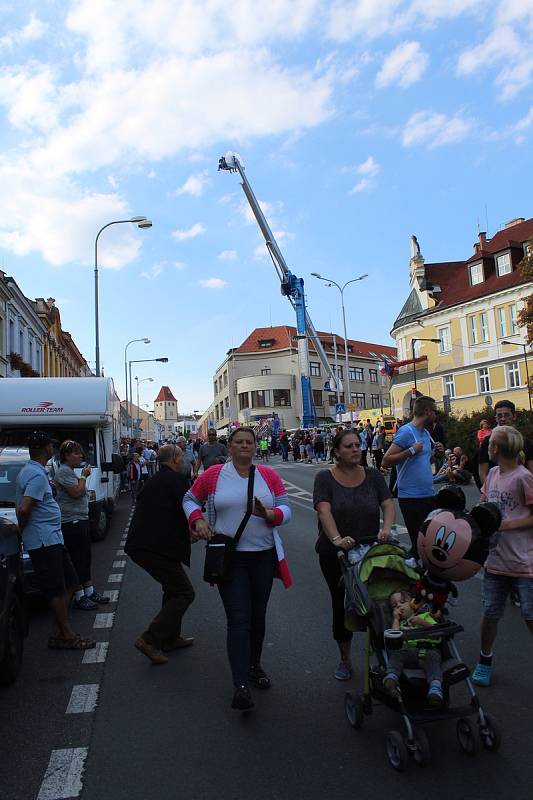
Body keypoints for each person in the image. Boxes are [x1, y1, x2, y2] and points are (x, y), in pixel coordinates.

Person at [183, 427, 292, 711]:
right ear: (228, 447)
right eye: (239, 442)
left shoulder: (268, 475)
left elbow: (286, 508)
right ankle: (240, 683)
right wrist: (197, 520)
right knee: (238, 618)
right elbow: (189, 498)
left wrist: (270, 514)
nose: (245, 446)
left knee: (258, 617)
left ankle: (254, 665)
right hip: (230, 559)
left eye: (249, 442)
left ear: (256, 447)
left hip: (263, 557)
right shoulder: (214, 474)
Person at [313, 429, 395, 681]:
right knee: (343, 603)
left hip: (369, 550)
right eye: (348, 446)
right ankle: (345, 659)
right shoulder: (324, 478)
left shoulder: (372, 476)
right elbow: (324, 511)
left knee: (378, 603)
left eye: (358, 445)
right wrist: (337, 539)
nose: (355, 449)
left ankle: (379, 655)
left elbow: (388, 504)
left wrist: (386, 529)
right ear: (336, 451)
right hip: (336, 553)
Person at [15, 432, 95, 651]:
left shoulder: (38, 471)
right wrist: (22, 530)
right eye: (51, 445)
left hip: (53, 536)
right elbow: (24, 508)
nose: (53, 448)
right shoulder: (36, 474)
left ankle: (58, 631)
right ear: (45, 449)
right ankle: (65, 635)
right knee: (55, 588)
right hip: (43, 539)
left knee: (70, 582)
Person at [472, 426, 533, 687]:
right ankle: (485, 659)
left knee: (530, 616)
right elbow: (485, 505)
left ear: (496, 448)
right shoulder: (493, 475)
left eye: (490, 443)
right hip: (495, 561)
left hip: (522, 562)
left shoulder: (523, 477)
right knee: (490, 613)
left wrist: (506, 524)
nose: (487, 447)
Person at [125, 444, 195, 665]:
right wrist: (197, 526)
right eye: (182, 457)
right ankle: (149, 639)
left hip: (152, 545)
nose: (184, 461)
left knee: (172, 589)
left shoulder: (158, 479)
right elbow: (188, 508)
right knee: (184, 593)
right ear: (174, 458)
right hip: (153, 547)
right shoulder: (175, 480)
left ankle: (170, 638)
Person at [382, 396, 443, 564]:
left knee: (428, 541)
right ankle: (406, 572)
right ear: (427, 412)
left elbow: (423, 462)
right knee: (419, 543)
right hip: (411, 497)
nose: (436, 415)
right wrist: (410, 450)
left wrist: (435, 453)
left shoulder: (426, 434)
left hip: (428, 494)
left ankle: (418, 576)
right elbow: (386, 460)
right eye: (435, 411)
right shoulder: (406, 432)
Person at [55, 440, 110, 610]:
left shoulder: (69, 471)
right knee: (77, 559)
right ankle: (79, 596)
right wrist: (84, 477)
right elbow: (76, 492)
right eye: (76, 453)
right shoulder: (64, 472)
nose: (80, 456)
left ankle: (89, 590)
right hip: (71, 521)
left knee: (85, 557)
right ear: (66, 455)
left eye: (80, 452)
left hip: (80, 519)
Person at [384, 590, 443, 706]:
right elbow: (393, 637)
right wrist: (396, 619)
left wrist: (422, 622)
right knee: (397, 654)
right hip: (408, 654)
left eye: (402, 602)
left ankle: (435, 689)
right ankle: (391, 678)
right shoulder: (400, 624)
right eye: (394, 606)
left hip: (428, 651)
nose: (399, 606)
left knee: (434, 659)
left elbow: (437, 631)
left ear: (413, 603)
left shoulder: (425, 616)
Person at [478, 399, 533, 485]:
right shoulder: (488, 441)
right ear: (496, 418)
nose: (503, 419)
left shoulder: (525, 442)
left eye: (507, 415)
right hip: (495, 491)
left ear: (514, 416)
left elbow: (531, 470)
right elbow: (483, 472)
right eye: (499, 416)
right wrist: (489, 493)